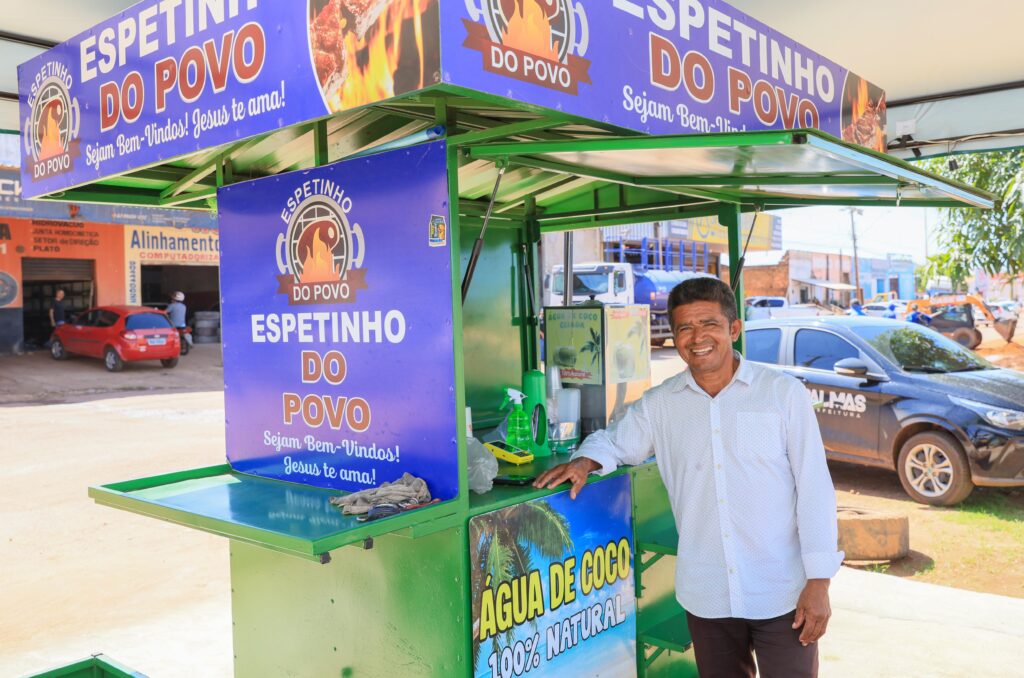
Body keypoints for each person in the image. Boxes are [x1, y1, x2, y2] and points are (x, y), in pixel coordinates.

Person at [534, 277, 842, 678]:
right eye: (684, 328)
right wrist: (585, 461)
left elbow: (815, 491)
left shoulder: (781, 394)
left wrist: (819, 582)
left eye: (709, 324)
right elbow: (615, 442)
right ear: (674, 337)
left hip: (783, 590)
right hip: (707, 592)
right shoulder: (661, 404)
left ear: (733, 329)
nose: (697, 337)